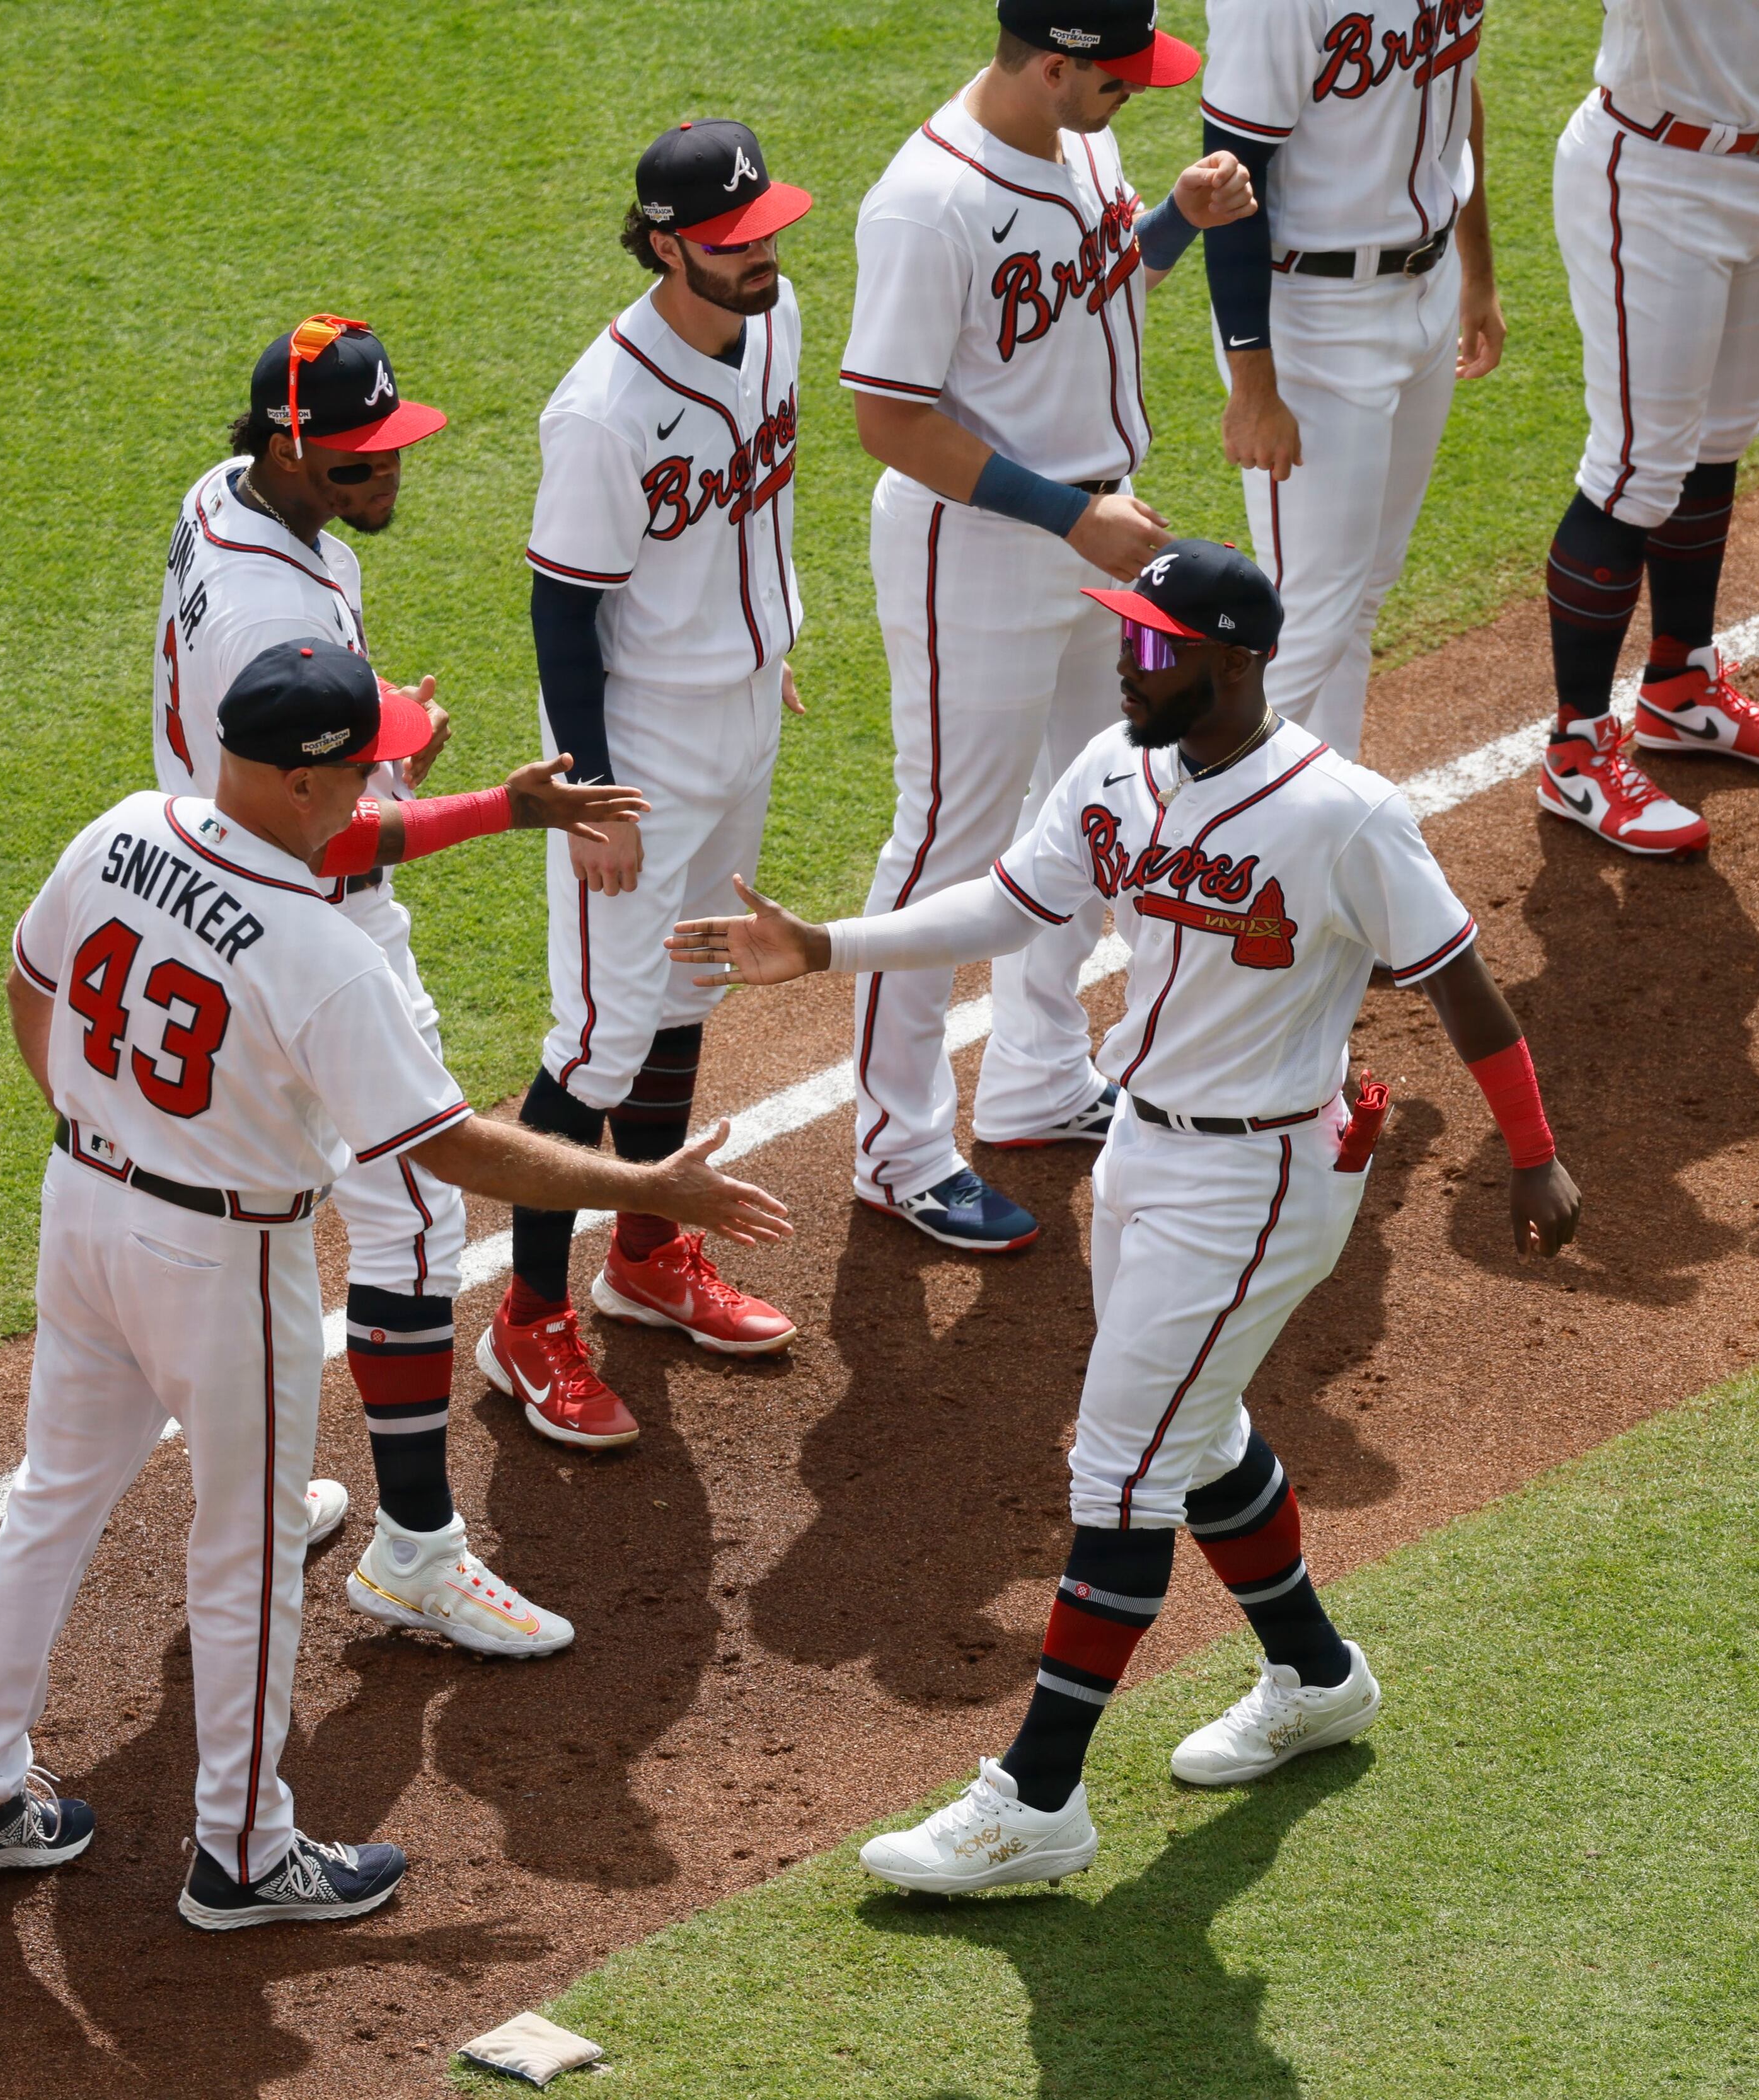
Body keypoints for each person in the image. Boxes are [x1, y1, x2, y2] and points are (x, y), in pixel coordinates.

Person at [667, 543, 1580, 1892]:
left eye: (1155, 647)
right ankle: (1317, 1674)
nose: (1126, 664)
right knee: (1189, 1429)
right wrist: (827, 947)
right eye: (1126, 640)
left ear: (1238, 658)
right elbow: (1013, 901)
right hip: (1140, 1153)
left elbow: (1462, 985)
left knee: (1120, 1468)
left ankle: (1034, 1799)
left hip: (1260, 1183)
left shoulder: (1347, 815)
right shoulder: (1118, 768)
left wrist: (1533, 1156)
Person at [0, 644, 787, 1927]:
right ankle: (245, 1851)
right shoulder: (324, 959)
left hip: (84, 1206)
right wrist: (654, 1187)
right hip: (218, 1261)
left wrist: (499, 806)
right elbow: (455, 1146)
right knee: (251, 1548)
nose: (389, 765)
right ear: (309, 779)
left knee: (56, 1492)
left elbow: (28, 981)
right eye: (369, 758)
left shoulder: (124, 828)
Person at [153, 314, 640, 1644]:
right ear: (290, 446)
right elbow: (334, 833)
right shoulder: (273, 606)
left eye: (392, 452)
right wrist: (503, 806)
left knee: (244, 1210)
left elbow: (290, 767)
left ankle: (250, 1503)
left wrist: (362, 730)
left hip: (213, 889)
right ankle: (418, 1550)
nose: (389, 481)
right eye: (361, 464)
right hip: (312, 928)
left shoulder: (226, 500)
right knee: (417, 1221)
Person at [839, 0, 1259, 1252]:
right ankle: (894, 1146)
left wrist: (1174, 218)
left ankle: (1035, 1075)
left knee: (1104, 801)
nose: (1133, 97)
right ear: (1053, 63)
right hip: (977, 543)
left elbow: (1086, 283)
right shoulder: (924, 203)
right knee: (947, 841)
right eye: (1117, 81)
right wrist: (1064, 518)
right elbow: (892, 422)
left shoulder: (1079, 141)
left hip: (1097, 529)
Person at [492, 119, 814, 1452]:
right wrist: (596, 795)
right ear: (666, 242)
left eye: (767, 229)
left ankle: (648, 1253)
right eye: (733, 242)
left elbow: (757, 515)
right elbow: (562, 615)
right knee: (593, 1042)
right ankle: (527, 1318)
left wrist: (764, 644)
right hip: (643, 752)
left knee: (689, 980)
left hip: (741, 713)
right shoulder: (602, 412)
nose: (761, 256)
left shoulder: (776, 320)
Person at [1534, 1, 1759, 859]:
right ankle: (1576, 751)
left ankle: (1679, 687)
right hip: (1659, 179)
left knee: (1717, 442)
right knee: (1637, 469)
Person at [1197, 0, 1506, 760]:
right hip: (1311, 317)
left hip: (1426, 283)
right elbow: (1228, 183)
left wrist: (1476, 272)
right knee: (1301, 621)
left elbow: (1454, 84)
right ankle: (1168, 834)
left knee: (1360, 594)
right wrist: (1255, 387)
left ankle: (1315, 827)